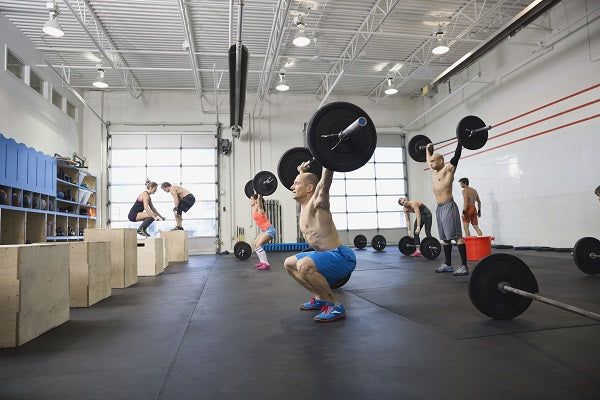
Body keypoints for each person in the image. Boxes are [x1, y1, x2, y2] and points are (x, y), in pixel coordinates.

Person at [283, 162, 356, 322]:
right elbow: (310, 181)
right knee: (289, 263)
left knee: (304, 265)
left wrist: (327, 160)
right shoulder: (303, 206)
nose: (291, 187)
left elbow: (324, 184)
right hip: (321, 254)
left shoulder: (318, 203)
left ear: (309, 188)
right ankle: (320, 297)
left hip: (341, 257)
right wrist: (302, 172)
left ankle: (335, 305)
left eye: (296, 183)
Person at [426, 142, 469, 276]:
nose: (431, 163)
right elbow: (428, 160)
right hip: (439, 208)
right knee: (444, 238)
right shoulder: (434, 172)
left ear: (441, 160)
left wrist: (460, 142)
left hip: (449, 206)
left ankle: (464, 266)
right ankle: (448, 264)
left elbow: (456, 157)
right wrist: (427, 149)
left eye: (434, 161)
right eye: (431, 161)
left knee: (456, 236)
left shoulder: (448, 170)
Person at [250, 194, 275, 270]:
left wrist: (259, 196)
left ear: (256, 200)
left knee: (258, 245)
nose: (250, 201)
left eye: (251, 199)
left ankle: (266, 264)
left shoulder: (260, 209)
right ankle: (262, 261)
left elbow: (260, 203)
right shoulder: (255, 208)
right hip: (264, 231)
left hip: (269, 230)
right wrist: (256, 191)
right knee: (255, 244)